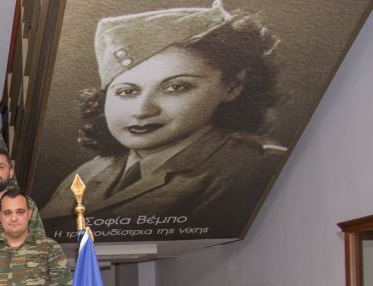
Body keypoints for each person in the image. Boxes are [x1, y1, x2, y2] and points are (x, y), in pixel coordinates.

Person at [41, 1, 284, 235]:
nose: (142, 110)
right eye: (127, 91)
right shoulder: (89, 172)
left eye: (175, 87)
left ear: (233, 86)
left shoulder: (255, 172)